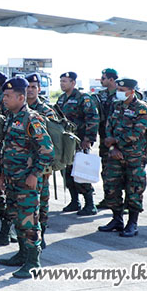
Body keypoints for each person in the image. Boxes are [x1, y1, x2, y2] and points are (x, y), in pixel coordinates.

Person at [0, 77, 54, 279]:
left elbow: (47, 150)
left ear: (21, 98)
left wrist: (35, 174)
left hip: (26, 181)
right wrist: (2, 174)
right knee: (17, 218)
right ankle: (22, 254)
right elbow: (7, 148)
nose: (4, 99)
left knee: (29, 221)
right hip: (12, 180)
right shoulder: (11, 117)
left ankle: (33, 262)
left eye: (8, 96)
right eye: (4, 95)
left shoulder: (32, 119)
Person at [98, 78, 147, 238]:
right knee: (111, 186)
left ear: (132, 91)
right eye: (118, 90)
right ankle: (117, 219)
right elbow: (108, 127)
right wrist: (112, 148)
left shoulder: (142, 109)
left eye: (122, 90)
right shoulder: (116, 106)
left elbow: (137, 133)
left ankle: (132, 223)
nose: (119, 93)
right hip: (114, 155)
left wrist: (116, 141)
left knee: (134, 189)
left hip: (134, 156)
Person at [57, 71, 99, 216]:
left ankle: (90, 204)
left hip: (79, 141)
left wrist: (88, 139)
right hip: (66, 142)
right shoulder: (61, 99)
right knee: (67, 172)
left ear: (73, 83)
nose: (62, 84)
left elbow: (93, 118)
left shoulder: (83, 98)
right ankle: (74, 201)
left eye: (65, 81)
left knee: (81, 172)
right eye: (61, 81)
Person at [26, 73, 59, 249]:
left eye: (34, 87)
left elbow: (53, 139)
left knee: (42, 199)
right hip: (21, 163)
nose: (30, 90)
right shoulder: (18, 108)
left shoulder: (46, 111)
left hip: (41, 164)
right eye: (28, 86)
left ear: (39, 89)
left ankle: (42, 233)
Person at [94, 68, 119, 210]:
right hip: (104, 138)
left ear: (111, 79)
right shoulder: (101, 95)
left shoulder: (121, 94)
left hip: (120, 139)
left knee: (121, 172)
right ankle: (108, 198)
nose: (101, 80)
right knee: (106, 170)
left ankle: (123, 201)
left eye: (103, 78)